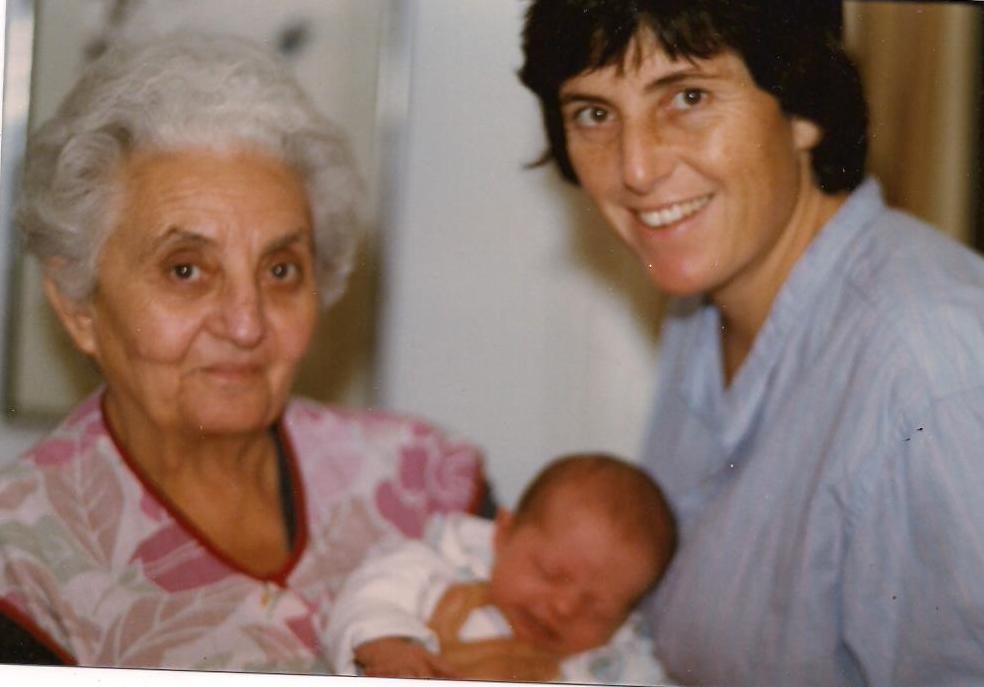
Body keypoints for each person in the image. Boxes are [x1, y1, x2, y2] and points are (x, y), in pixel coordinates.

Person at [519, 1, 984, 686]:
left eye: (688, 97)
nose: (636, 167)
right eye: (594, 113)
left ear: (805, 109)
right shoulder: (704, 304)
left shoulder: (930, 362)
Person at [0, 33, 486, 671]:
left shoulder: (427, 481)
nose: (247, 323)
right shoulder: (21, 563)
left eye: (281, 270)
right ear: (78, 307)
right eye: (185, 270)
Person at [324, 453, 675, 683]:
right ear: (504, 533)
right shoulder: (439, 565)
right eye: (550, 573)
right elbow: (369, 598)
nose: (564, 607)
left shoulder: (616, 661)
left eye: (596, 608)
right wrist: (386, 645)